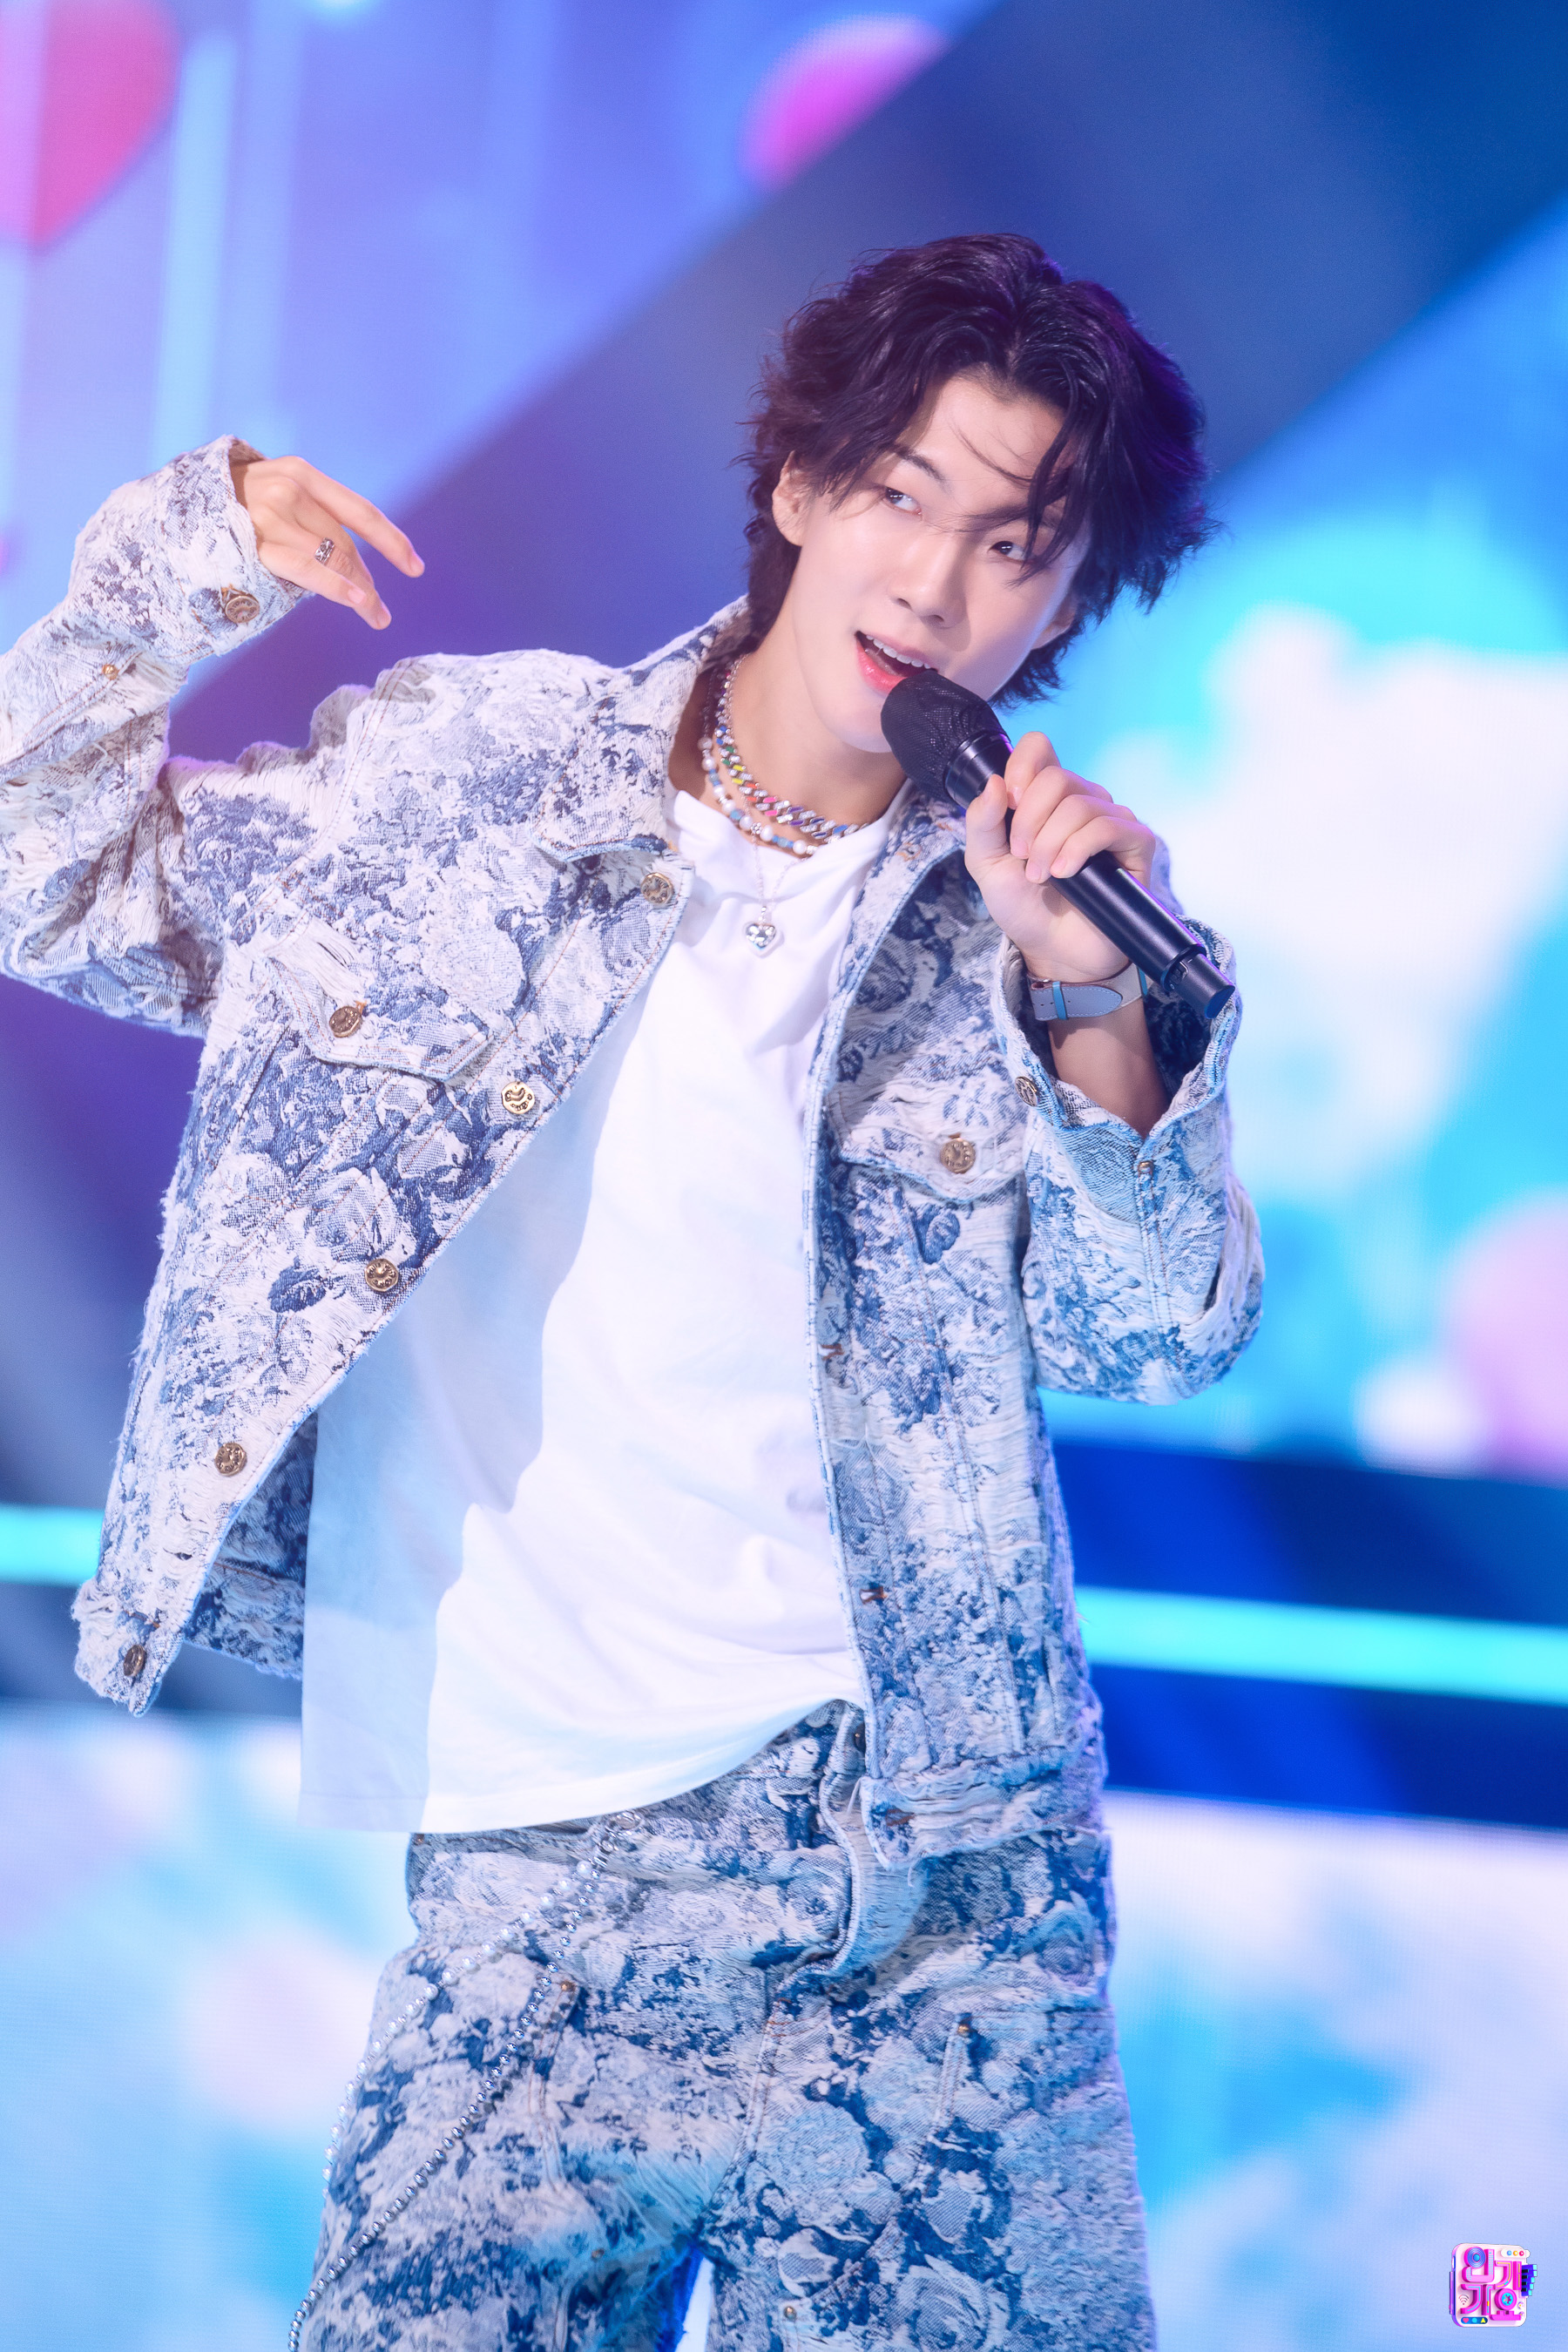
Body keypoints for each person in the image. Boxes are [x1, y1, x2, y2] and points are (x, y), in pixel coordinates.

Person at [0, 233, 1260, 2349]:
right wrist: (173, 565)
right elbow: (43, 871)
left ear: (1063, 606)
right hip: (529, 1894)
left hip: (925, 1895)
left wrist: (1089, 999)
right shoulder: (463, 782)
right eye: (904, 495)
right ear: (800, 481)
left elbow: (1157, 1339)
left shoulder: (1034, 933)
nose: (938, 584)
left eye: (1016, 546)